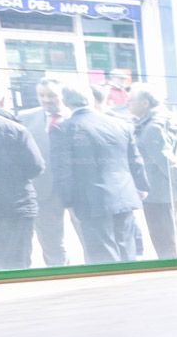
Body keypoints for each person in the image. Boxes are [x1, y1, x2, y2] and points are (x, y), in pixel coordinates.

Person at [50, 80, 149, 264]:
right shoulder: (121, 124)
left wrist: (67, 200)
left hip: (89, 199)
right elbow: (135, 160)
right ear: (90, 99)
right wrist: (141, 186)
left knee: (103, 252)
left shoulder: (63, 129)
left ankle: (113, 287)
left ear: (65, 102)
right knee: (127, 248)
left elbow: (62, 169)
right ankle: (131, 284)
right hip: (123, 194)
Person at [0, 79, 45, 271]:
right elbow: (35, 166)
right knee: (17, 262)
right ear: (2, 100)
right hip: (16, 204)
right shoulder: (16, 129)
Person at [128, 84, 177, 259]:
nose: (127, 104)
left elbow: (166, 161)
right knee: (170, 235)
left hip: (158, 192)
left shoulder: (153, 127)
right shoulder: (169, 119)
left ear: (144, 103)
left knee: (164, 239)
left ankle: (172, 272)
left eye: (131, 101)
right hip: (169, 189)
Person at [19, 77, 72, 267]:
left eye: (51, 95)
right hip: (44, 189)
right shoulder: (25, 118)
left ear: (62, 95)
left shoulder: (77, 116)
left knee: (88, 236)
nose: (46, 100)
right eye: (41, 95)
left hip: (76, 189)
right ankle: (60, 274)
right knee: (51, 242)